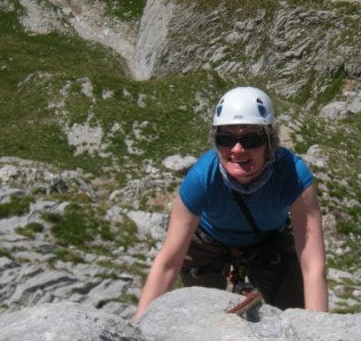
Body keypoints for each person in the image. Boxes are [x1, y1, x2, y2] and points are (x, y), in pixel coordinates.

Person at [133, 86, 328, 320]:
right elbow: (168, 263)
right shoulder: (202, 177)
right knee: (204, 318)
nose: (237, 149)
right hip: (207, 246)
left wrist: (317, 329)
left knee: (293, 309)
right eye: (226, 139)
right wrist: (138, 327)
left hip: (269, 243)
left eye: (251, 139)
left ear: (270, 141)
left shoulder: (293, 175)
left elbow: (313, 265)